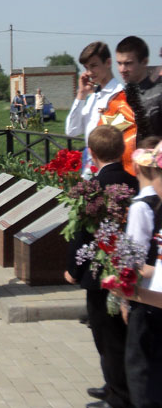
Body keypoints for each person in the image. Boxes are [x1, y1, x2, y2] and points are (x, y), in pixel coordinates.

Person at [65, 125, 136, 408]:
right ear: (123, 151)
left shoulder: (93, 189)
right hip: (131, 272)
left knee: (107, 337)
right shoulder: (136, 184)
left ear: (91, 154)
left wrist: (73, 269)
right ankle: (113, 386)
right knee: (123, 335)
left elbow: (80, 233)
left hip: (100, 275)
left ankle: (119, 396)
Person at [122, 138, 161, 408]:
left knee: (141, 372)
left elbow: (134, 255)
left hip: (149, 302)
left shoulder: (141, 206)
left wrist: (126, 294)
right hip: (152, 294)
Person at [66, 41, 125, 178]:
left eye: (94, 66)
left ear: (108, 62)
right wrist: (81, 94)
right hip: (90, 160)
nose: (89, 73)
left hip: (109, 165)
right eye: (86, 68)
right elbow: (72, 130)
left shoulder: (120, 96)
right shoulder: (93, 97)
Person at [116, 36, 162, 140]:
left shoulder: (159, 93)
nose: (122, 69)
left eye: (128, 63)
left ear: (144, 62)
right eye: (119, 63)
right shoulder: (120, 97)